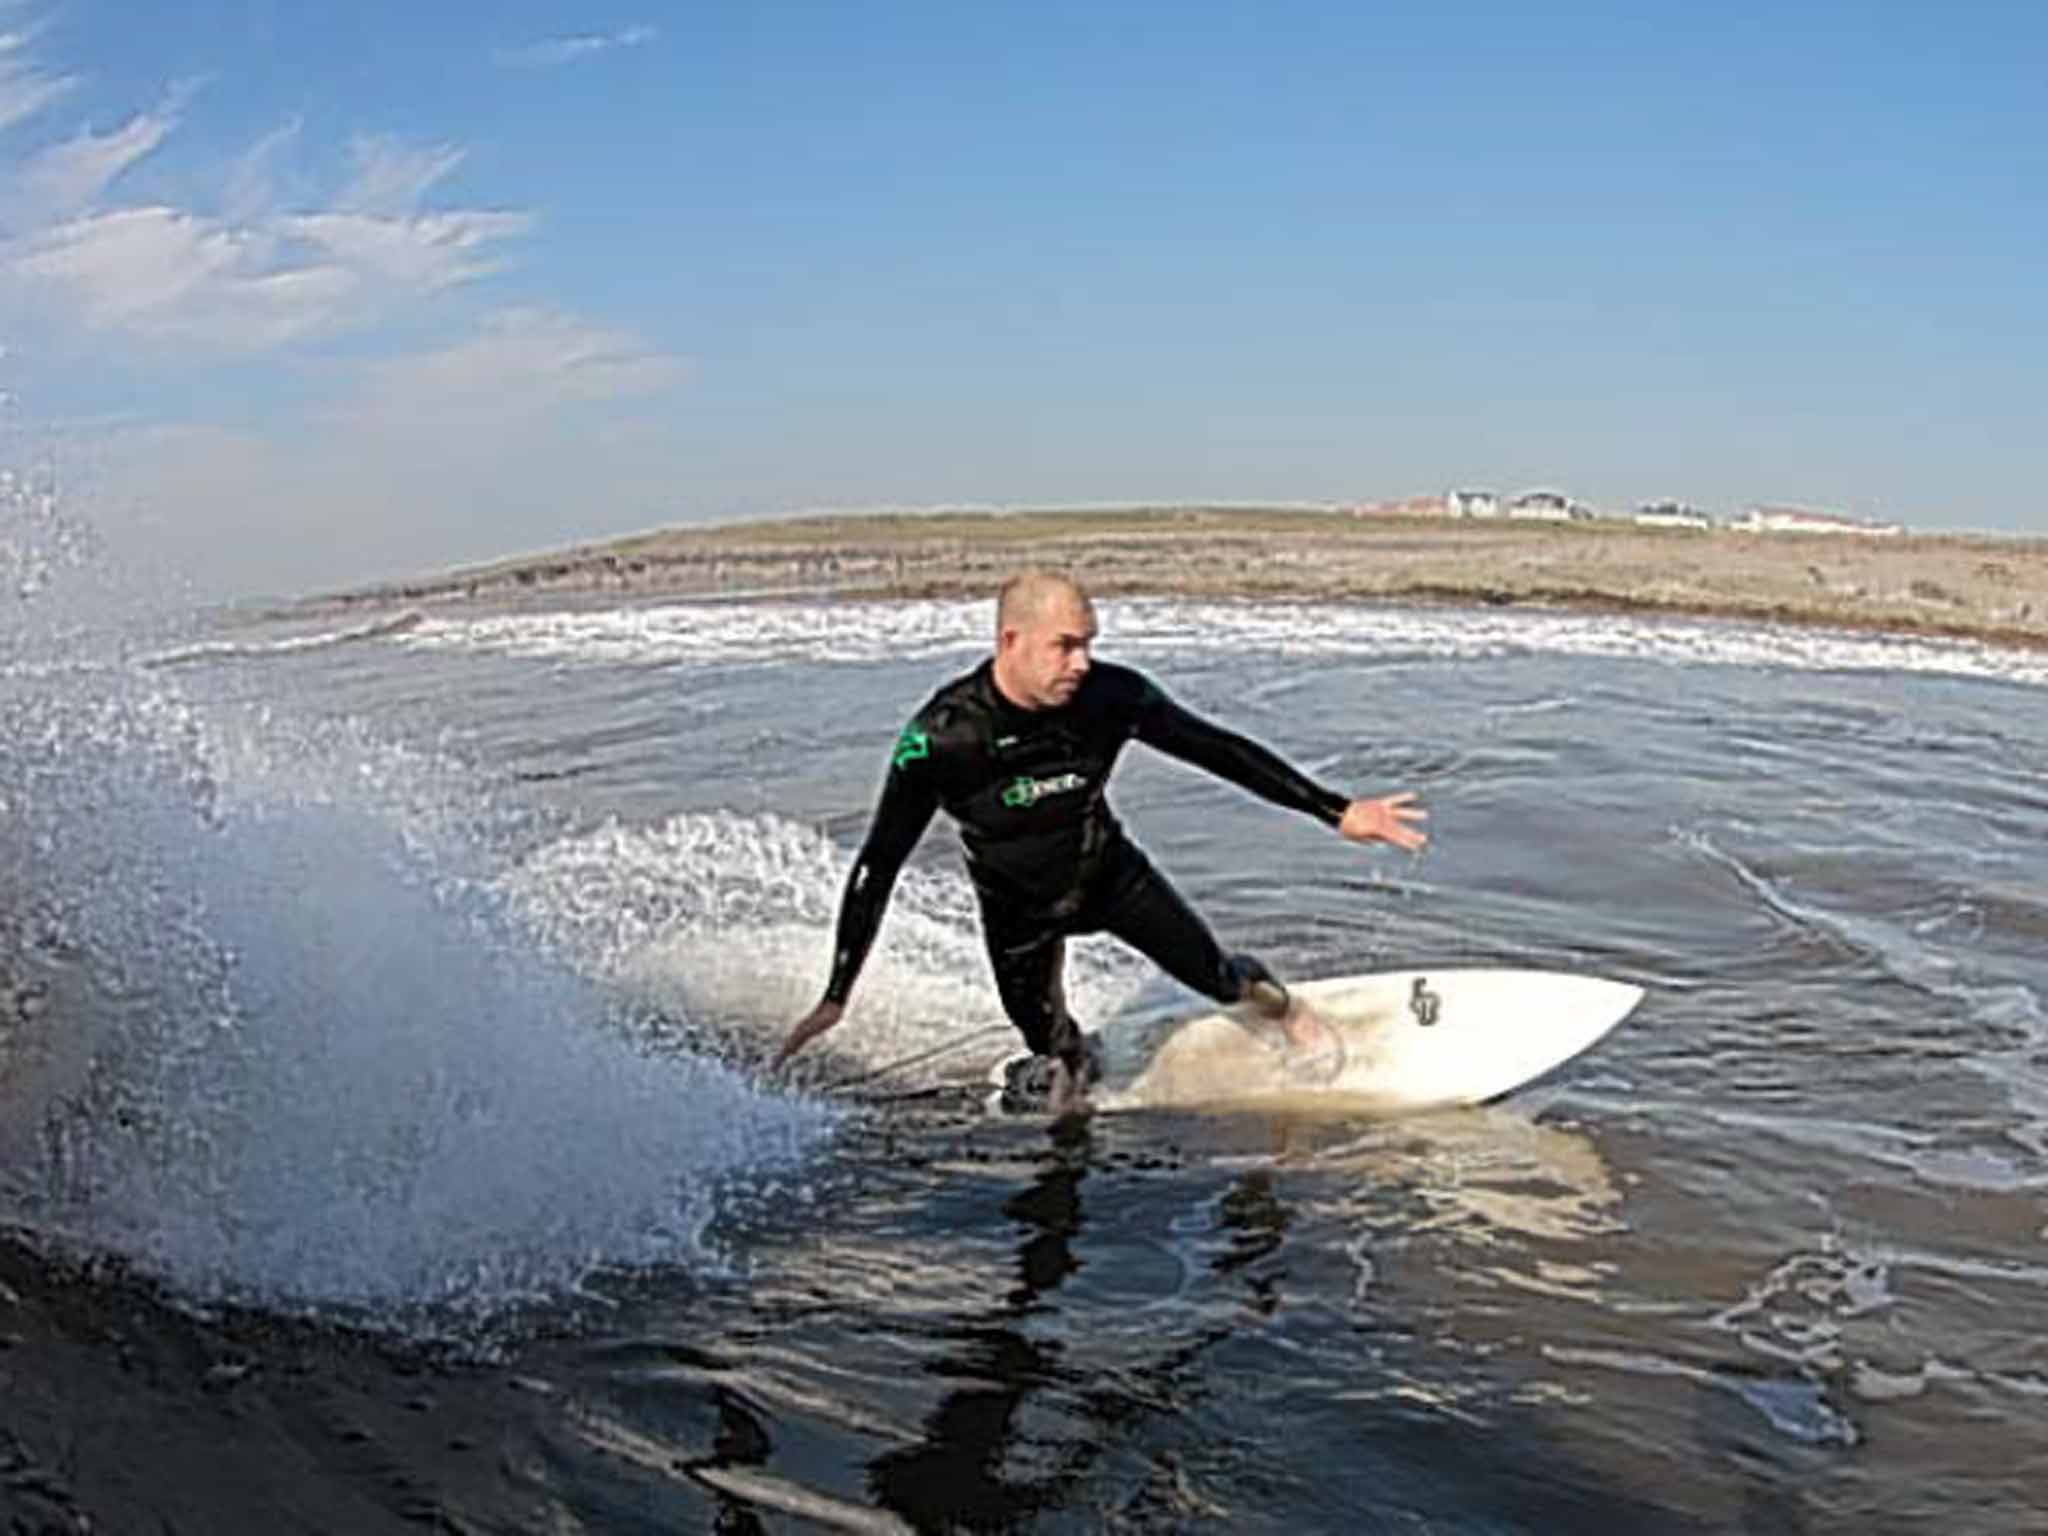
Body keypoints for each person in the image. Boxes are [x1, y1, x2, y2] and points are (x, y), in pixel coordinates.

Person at [772, 571, 1429, 1113]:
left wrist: (1334, 810)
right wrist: (837, 994)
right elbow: (878, 864)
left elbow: (1215, 748)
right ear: (1012, 641)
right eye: (1065, 646)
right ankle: (1075, 1110)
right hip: (1016, 914)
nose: (1082, 663)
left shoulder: (1111, 697)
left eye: (1087, 643)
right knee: (1055, 1050)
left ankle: (1283, 1010)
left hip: (1110, 879)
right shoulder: (941, 740)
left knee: (1223, 980)